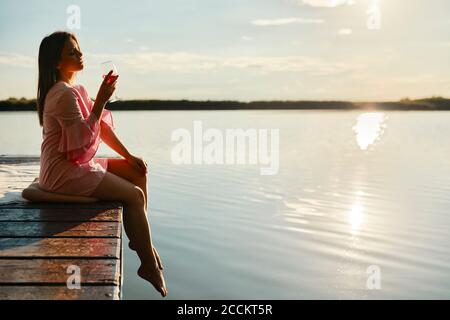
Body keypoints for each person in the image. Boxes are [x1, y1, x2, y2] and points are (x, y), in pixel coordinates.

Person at [36, 31, 167, 297]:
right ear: (57, 63)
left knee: (136, 172)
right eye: (72, 52)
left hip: (73, 164)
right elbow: (79, 144)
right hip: (61, 171)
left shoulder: (77, 90)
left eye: (79, 49)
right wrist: (103, 99)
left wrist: (129, 156)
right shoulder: (62, 94)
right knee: (134, 195)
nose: (80, 54)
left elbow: (101, 128)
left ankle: (141, 240)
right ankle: (148, 264)